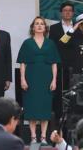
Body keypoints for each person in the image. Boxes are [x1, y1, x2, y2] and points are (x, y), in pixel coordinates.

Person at [17, 16, 60, 144]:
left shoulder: (50, 43)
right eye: (37, 24)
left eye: (42, 24)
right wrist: (23, 79)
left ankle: (43, 137)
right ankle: (33, 137)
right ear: (33, 27)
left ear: (45, 27)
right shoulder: (27, 43)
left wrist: (54, 80)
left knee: (44, 108)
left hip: (46, 78)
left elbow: (54, 64)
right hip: (31, 77)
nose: (40, 26)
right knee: (31, 107)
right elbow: (23, 63)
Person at [49, 2, 77, 121]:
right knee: (59, 97)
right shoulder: (54, 28)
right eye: (65, 10)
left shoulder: (79, 26)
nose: (67, 12)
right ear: (61, 13)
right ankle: (59, 125)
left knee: (74, 96)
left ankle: (72, 123)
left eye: (70, 10)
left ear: (73, 13)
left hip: (75, 66)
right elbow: (53, 47)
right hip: (59, 67)